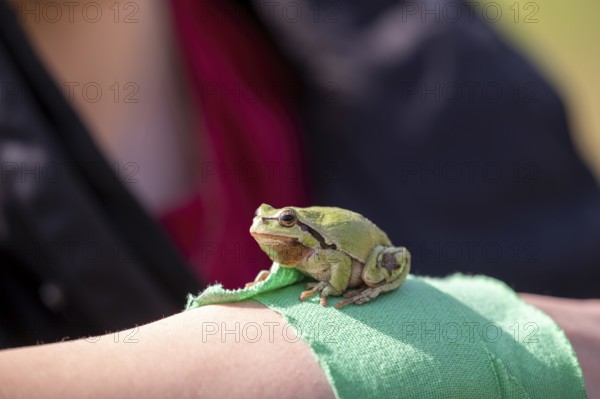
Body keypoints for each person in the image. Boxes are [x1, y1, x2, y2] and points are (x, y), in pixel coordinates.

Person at [0, 1, 598, 394]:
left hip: (368, 259)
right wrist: (310, 364)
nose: (266, 230)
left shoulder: (406, 38)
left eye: (277, 222)